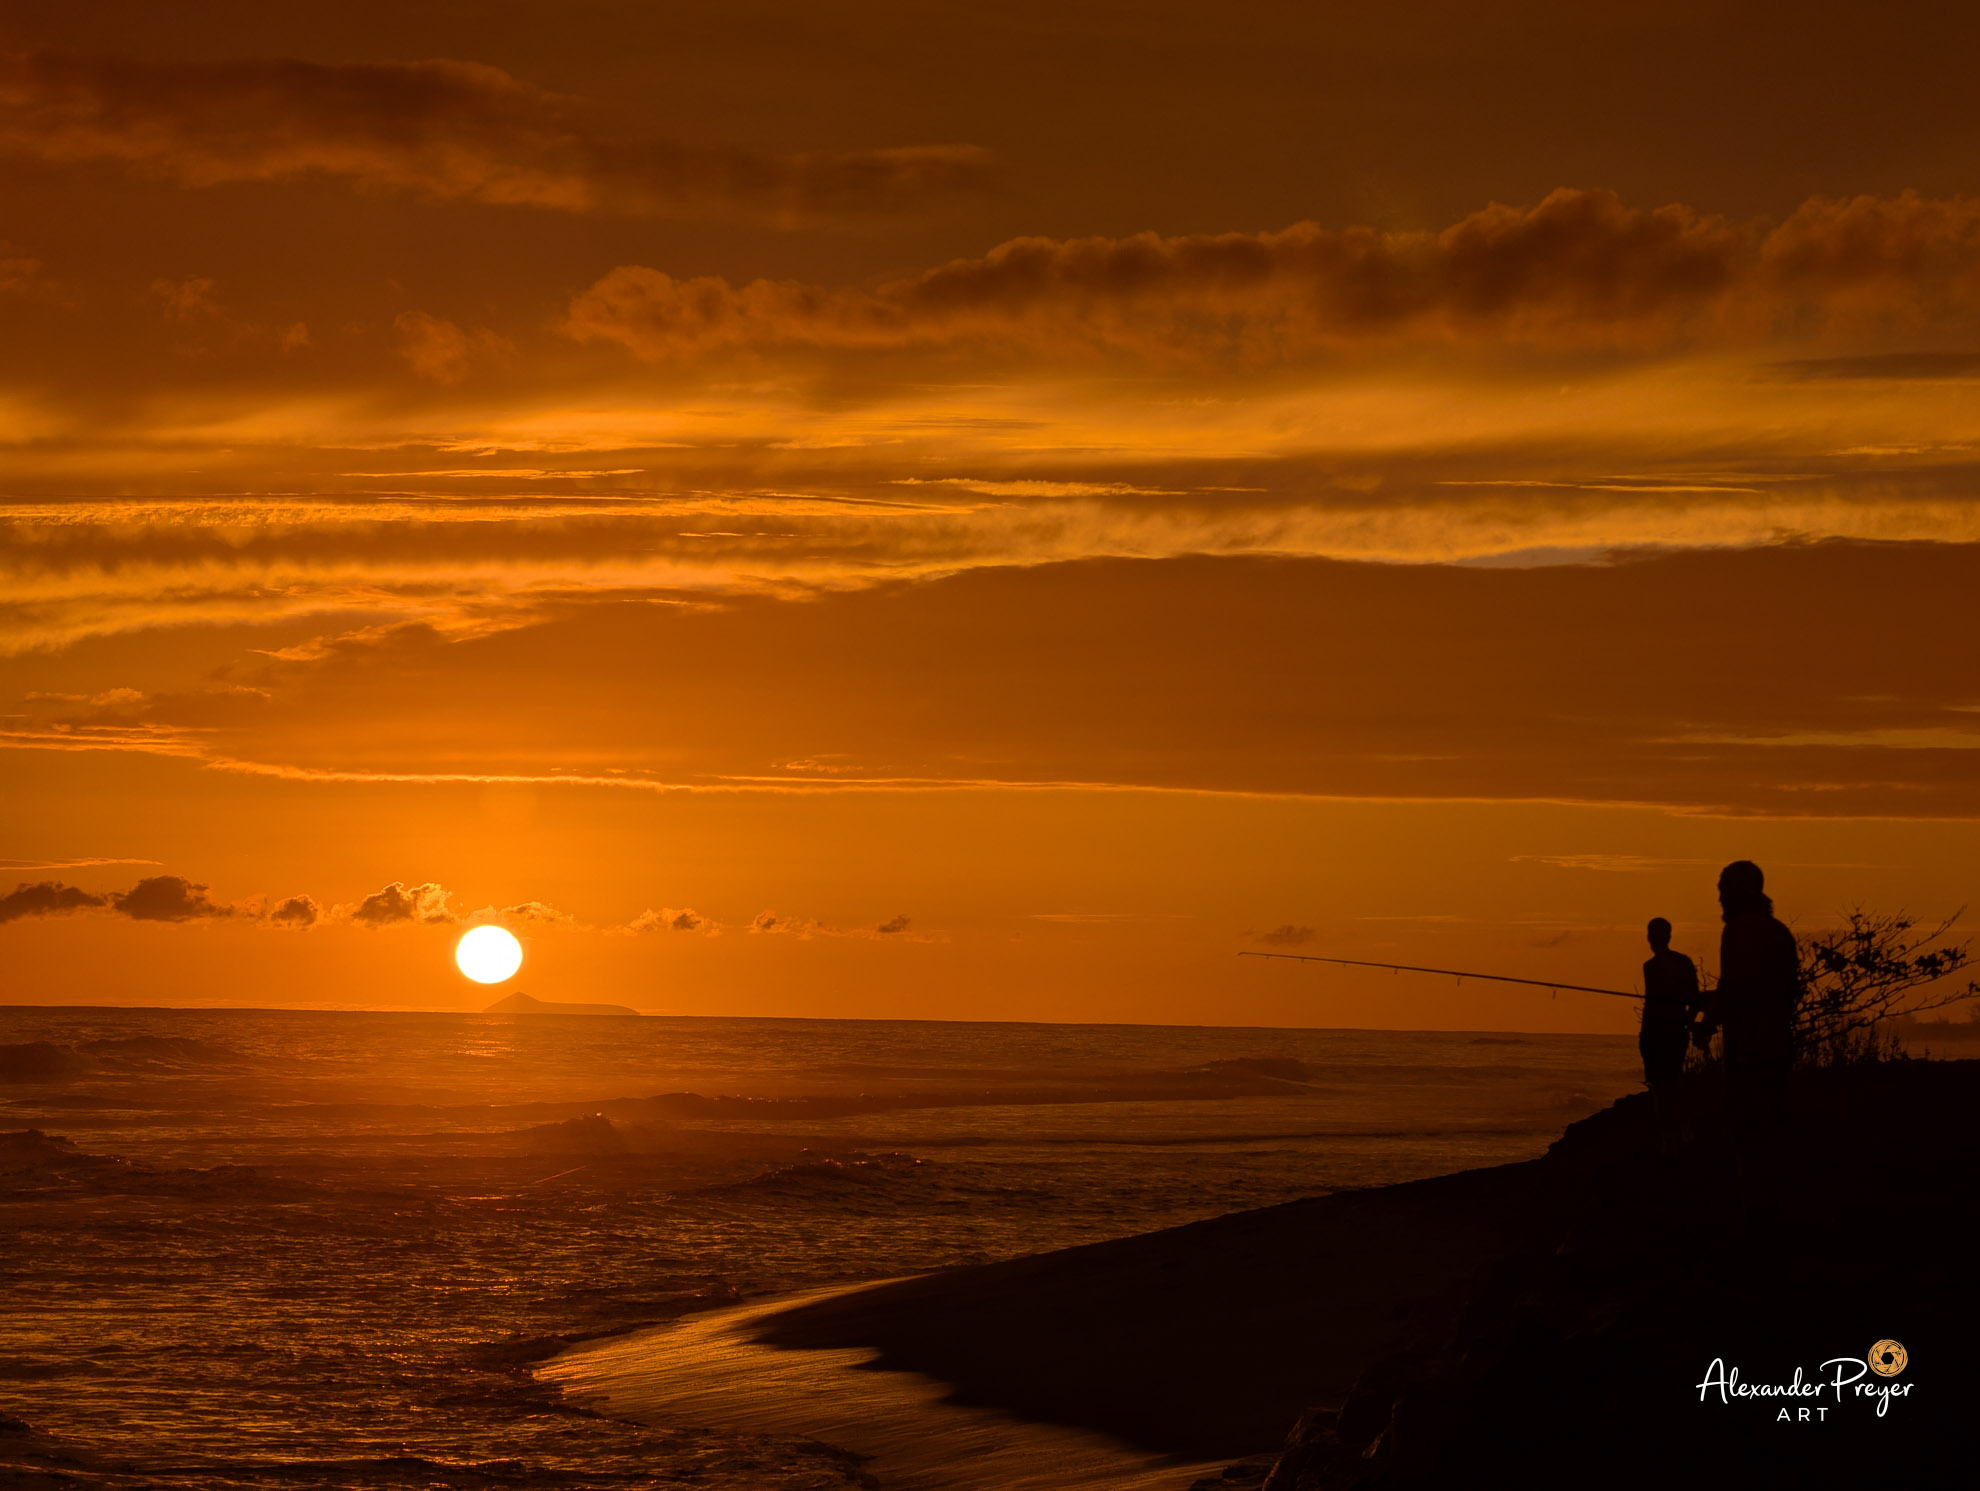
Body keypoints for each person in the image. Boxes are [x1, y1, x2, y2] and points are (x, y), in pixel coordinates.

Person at [1694, 860, 1800, 1141]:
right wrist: (1712, 1001)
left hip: (1747, 1051)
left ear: (1740, 892)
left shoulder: (1737, 930)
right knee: (1773, 1132)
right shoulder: (1780, 931)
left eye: (1723, 890)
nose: (1719, 897)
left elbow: (1734, 987)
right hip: (1779, 1046)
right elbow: (1770, 987)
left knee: (1746, 1133)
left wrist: (1707, 1022)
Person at [1639, 917, 1699, 1150]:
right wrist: (1688, 1021)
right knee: (1673, 1081)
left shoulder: (1650, 967)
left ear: (1650, 938)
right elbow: (1693, 999)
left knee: (1661, 1087)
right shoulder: (1684, 962)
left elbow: (1652, 1007)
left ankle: (1670, 1137)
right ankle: (1684, 1132)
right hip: (1675, 1031)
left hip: (1655, 1032)